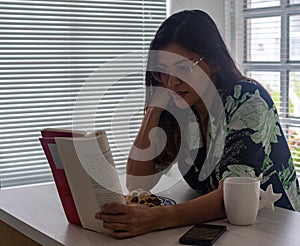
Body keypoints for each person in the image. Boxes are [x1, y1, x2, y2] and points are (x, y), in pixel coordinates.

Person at [95, 9, 300, 238]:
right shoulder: (180, 102)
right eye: (162, 72)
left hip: (275, 228)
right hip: (222, 226)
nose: (171, 82)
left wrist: (156, 219)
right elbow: (138, 181)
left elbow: (230, 197)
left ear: (214, 62)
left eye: (183, 68)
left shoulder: (248, 100)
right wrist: (154, 107)